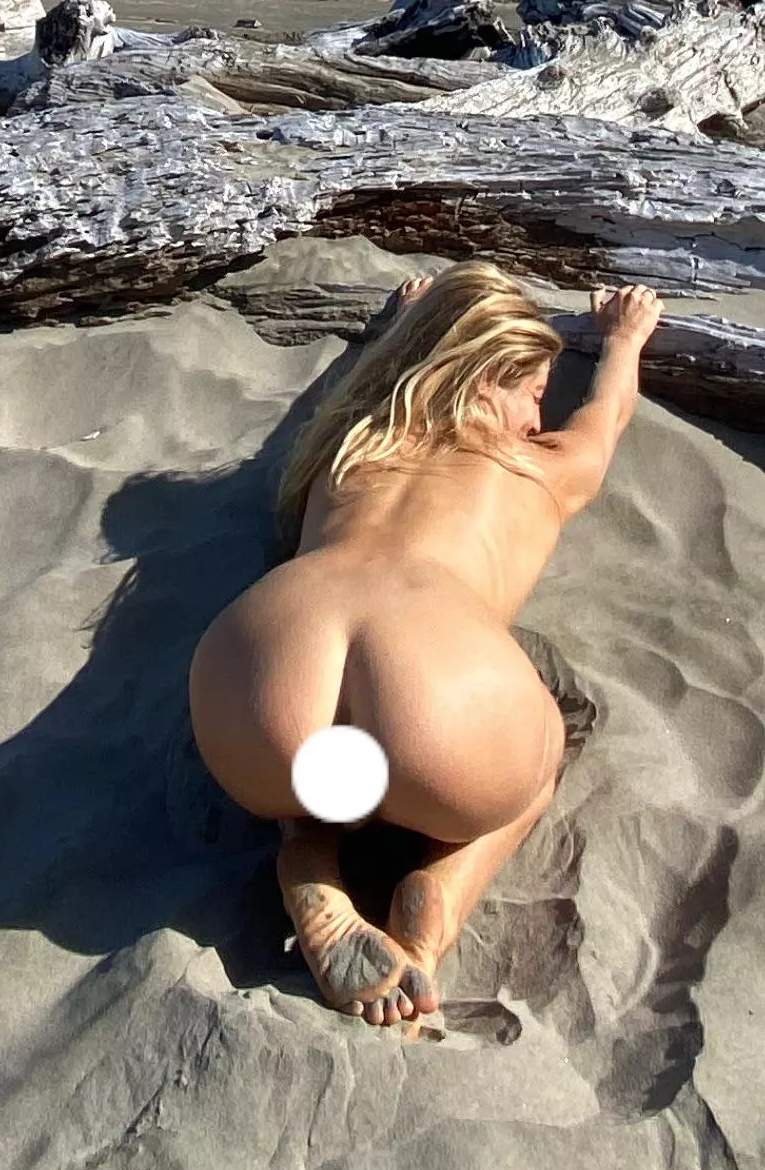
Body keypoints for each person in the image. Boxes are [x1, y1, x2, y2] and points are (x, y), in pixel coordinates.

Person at [187, 262, 660, 1033]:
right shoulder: (538, 468)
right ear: (484, 381)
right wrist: (624, 338)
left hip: (257, 675)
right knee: (543, 750)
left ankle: (307, 849)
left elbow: (365, 379)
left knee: (312, 764)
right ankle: (435, 904)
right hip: (437, 692)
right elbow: (608, 413)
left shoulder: (355, 437)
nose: (537, 421)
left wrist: (404, 326)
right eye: (533, 394)